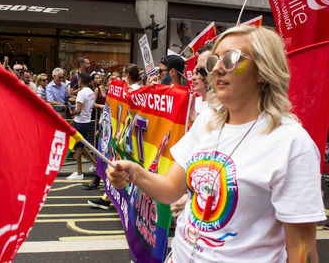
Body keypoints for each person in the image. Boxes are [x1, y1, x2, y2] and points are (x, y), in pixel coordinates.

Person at [106, 26, 326, 262]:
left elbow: (302, 248)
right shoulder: (207, 122)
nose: (217, 68)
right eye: (214, 61)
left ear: (263, 71)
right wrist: (135, 173)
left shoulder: (292, 143)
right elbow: (171, 188)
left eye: (231, 59)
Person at [170, 43, 214, 219]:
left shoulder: (288, 138)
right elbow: (169, 185)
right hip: (190, 231)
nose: (195, 76)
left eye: (202, 71)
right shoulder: (204, 112)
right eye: (195, 71)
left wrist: (191, 197)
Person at [67, 72, 97, 180]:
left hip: (80, 122)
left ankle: (79, 173)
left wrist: (71, 111)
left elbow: (78, 111)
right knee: (81, 145)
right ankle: (95, 164)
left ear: (80, 81)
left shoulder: (81, 93)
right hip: (86, 121)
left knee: (78, 147)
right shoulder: (91, 92)